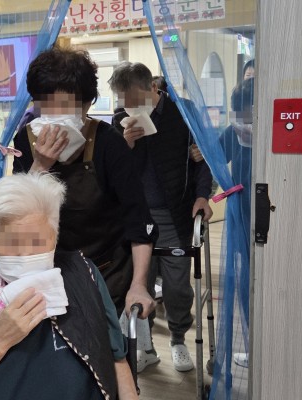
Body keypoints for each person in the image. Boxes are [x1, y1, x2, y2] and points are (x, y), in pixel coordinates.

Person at [0, 173, 138, 400]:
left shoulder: (84, 274)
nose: (25, 255)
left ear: (55, 238)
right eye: (12, 243)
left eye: (37, 242)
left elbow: (117, 358)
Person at [13, 47, 158, 319]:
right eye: (45, 106)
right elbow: (17, 216)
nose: (54, 116)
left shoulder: (109, 143)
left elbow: (139, 220)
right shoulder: (26, 140)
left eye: (64, 108)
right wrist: (40, 166)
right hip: (47, 273)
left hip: (106, 274)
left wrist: (139, 285)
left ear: (87, 104)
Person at [109, 62, 213, 373]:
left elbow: (204, 158)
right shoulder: (120, 119)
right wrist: (125, 144)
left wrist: (202, 195)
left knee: (177, 286)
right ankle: (146, 347)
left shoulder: (184, 111)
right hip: (136, 215)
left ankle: (179, 340)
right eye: (124, 101)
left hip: (175, 212)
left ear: (153, 88)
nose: (130, 107)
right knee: (138, 283)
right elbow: (115, 172)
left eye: (135, 99)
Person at [220, 77, 255, 369]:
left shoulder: (273, 134)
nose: (244, 122)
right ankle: (254, 343)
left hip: (270, 216)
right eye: (240, 114)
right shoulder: (234, 133)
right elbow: (213, 156)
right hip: (242, 216)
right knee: (246, 280)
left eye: (249, 114)